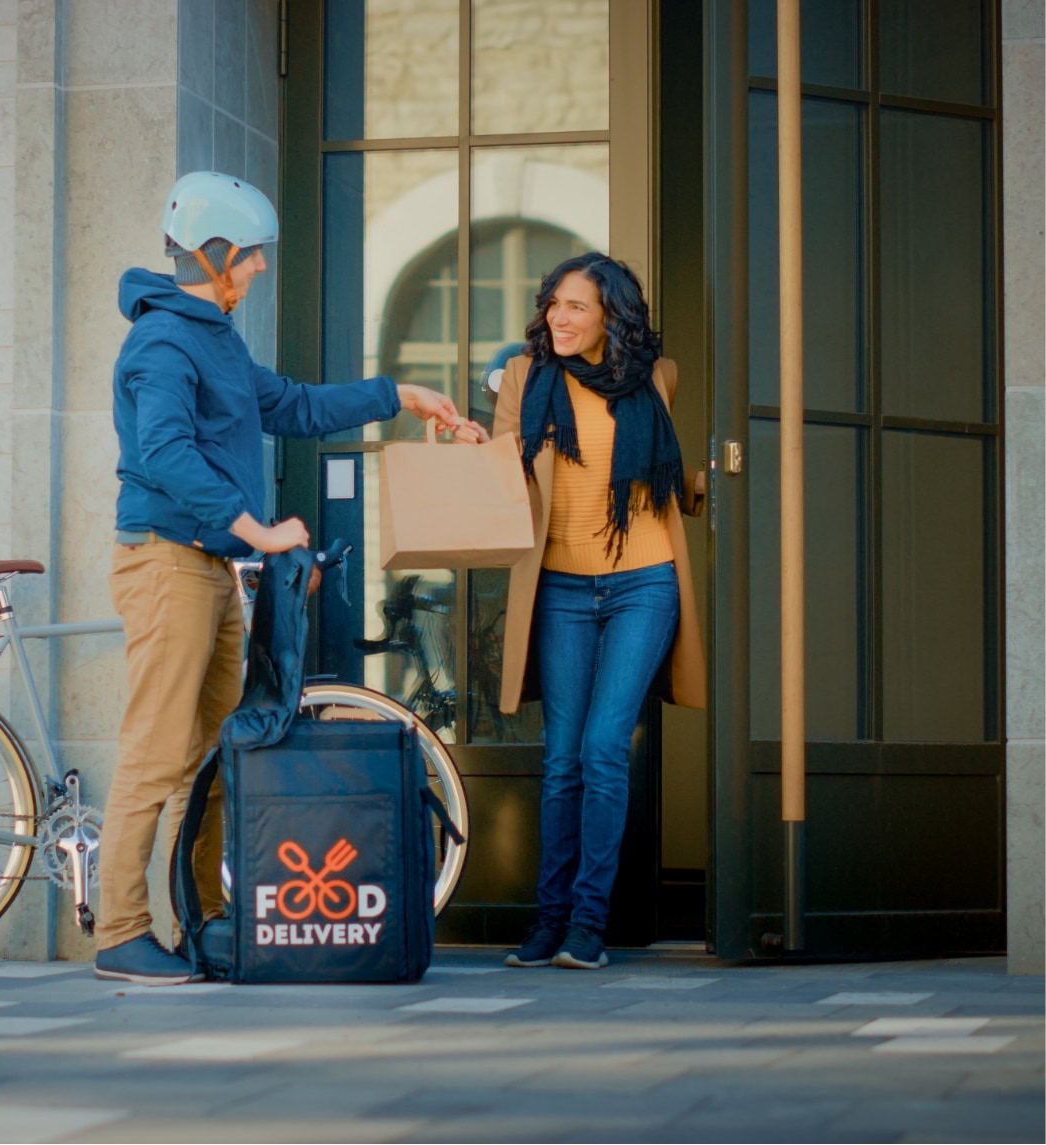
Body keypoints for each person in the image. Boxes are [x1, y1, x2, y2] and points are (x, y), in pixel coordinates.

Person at [97, 171, 487, 985]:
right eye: (251, 257)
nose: (259, 269)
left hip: (208, 568)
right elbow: (164, 453)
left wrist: (399, 394)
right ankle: (121, 932)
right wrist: (258, 529)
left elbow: (292, 404)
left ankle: (202, 919)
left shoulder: (215, 337)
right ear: (215, 254)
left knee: (213, 750)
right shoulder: (162, 342)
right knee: (157, 751)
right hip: (168, 562)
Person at [493, 253, 707, 971]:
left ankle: (588, 924)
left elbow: (669, 467)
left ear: (610, 315)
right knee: (560, 760)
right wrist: (471, 450)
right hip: (557, 586)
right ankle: (547, 919)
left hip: (643, 581)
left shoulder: (656, 377)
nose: (559, 316)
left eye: (576, 306)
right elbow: (500, 469)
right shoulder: (526, 379)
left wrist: (709, 480)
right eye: (553, 302)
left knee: (603, 747)